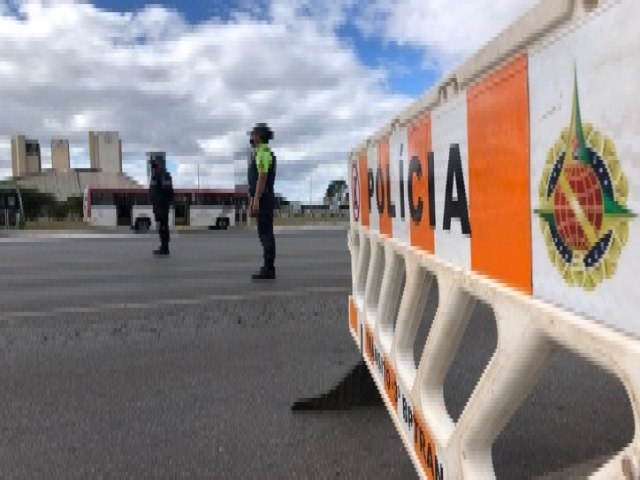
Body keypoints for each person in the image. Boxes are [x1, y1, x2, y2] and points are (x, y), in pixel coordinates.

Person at [248, 123, 277, 280]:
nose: (251, 138)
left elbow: (262, 176)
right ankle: (268, 266)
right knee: (264, 232)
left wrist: (256, 200)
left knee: (265, 233)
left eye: (253, 134)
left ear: (259, 136)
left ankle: (269, 268)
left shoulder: (263, 152)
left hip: (264, 198)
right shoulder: (261, 152)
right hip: (263, 197)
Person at [149, 159, 174, 255]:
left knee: (163, 226)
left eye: (154, 165)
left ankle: (165, 248)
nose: (153, 168)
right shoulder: (158, 174)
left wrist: (161, 201)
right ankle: (163, 246)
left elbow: (167, 191)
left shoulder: (162, 175)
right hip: (159, 205)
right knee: (161, 226)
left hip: (161, 206)